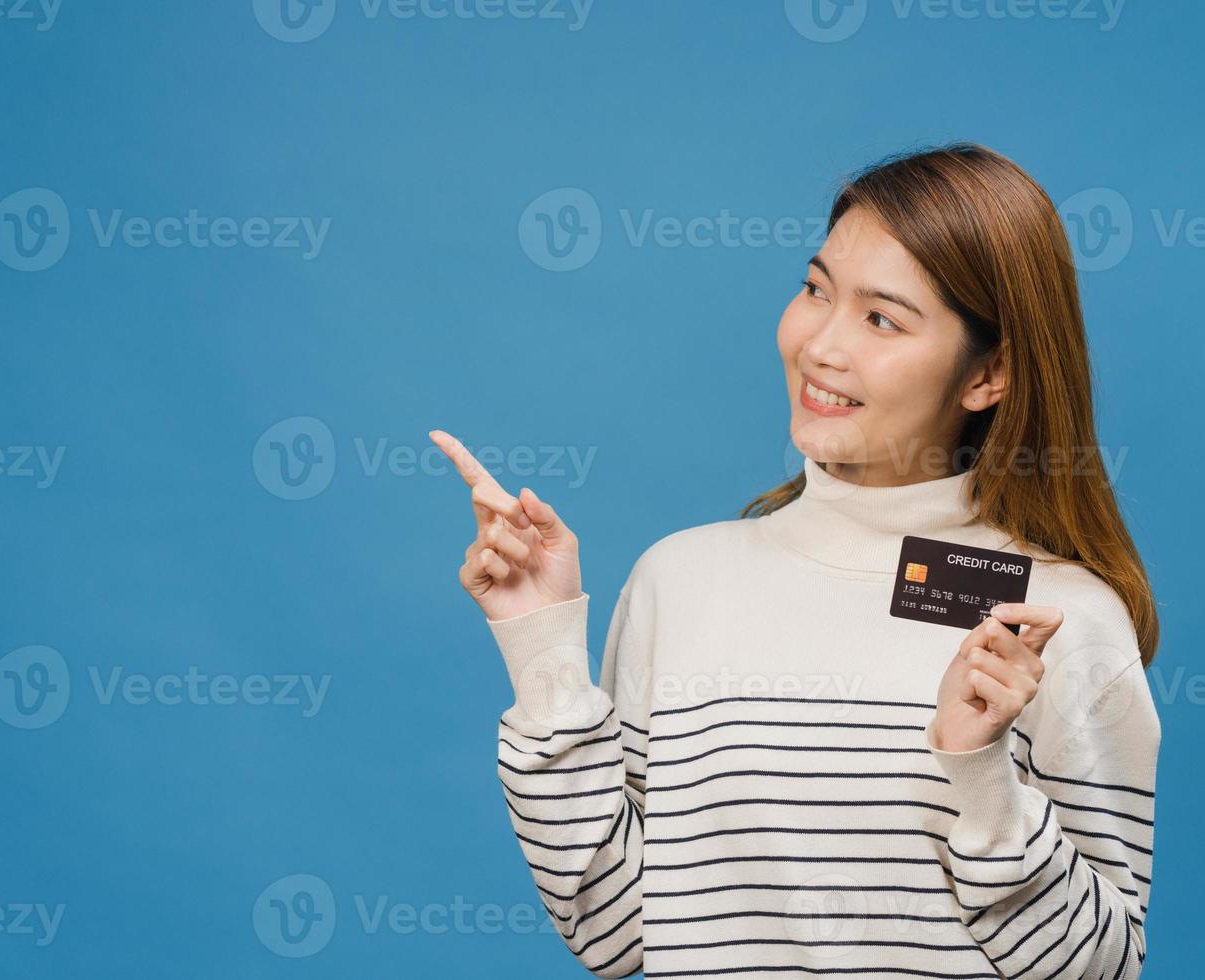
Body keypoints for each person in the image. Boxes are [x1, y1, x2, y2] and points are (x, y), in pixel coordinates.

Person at [431, 141, 1160, 978]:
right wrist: (542, 647)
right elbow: (616, 930)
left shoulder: (1060, 622)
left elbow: (1098, 970)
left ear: (988, 373)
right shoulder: (681, 581)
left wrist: (983, 778)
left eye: (882, 318)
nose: (820, 345)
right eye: (817, 290)